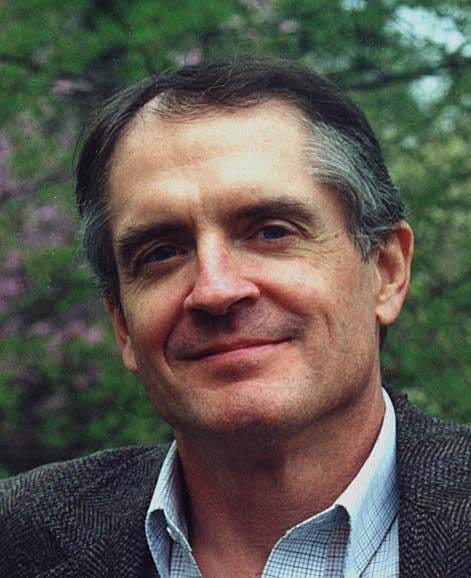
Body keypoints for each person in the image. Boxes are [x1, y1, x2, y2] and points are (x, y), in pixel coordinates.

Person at [1, 56, 470, 578]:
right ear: (123, 324)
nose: (215, 290)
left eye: (271, 232)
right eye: (162, 253)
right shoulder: (17, 539)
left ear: (386, 271)